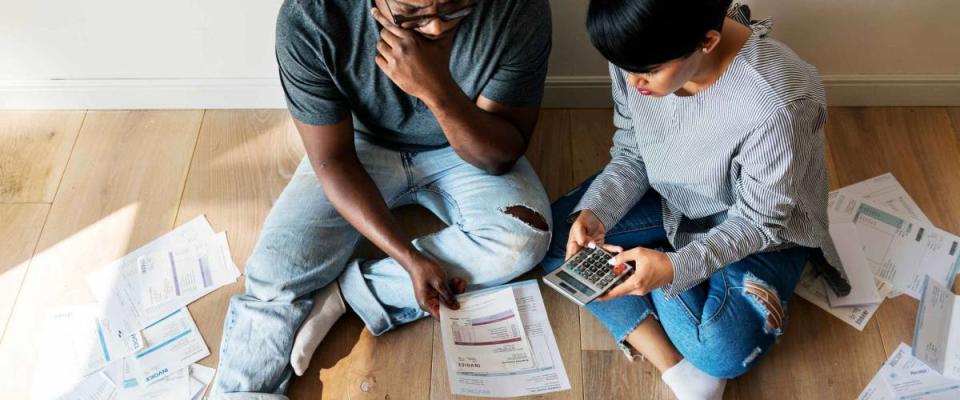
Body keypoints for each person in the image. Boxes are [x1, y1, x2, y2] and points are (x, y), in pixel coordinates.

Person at [211, 0, 553, 398]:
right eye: (413, 13)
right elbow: (332, 160)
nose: (437, 30)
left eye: (455, 9)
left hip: (464, 141)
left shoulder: (519, 9)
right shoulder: (311, 17)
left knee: (524, 238)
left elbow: (498, 157)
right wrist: (408, 258)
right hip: (357, 146)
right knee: (274, 271)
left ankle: (349, 295)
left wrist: (436, 91)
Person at [540, 2, 845, 399]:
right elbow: (633, 151)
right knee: (549, 235)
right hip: (672, 198)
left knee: (723, 353)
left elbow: (758, 222)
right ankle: (676, 366)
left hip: (760, 233)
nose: (633, 83)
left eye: (648, 71)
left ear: (707, 41)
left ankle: (653, 265)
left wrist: (673, 267)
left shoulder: (780, 103)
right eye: (623, 66)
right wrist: (597, 211)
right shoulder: (637, 50)